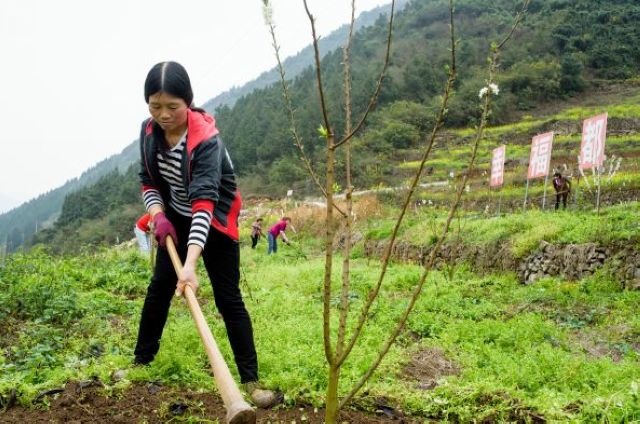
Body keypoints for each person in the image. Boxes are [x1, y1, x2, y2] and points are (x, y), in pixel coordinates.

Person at [133, 61, 275, 408]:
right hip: (177, 218)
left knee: (228, 299)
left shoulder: (206, 141)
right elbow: (148, 181)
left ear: (189, 101)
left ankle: (252, 381)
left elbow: (204, 203)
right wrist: (158, 215)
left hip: (215, 219)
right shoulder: (149, 132)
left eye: (172, 107)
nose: (163, 115)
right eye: (155, 106)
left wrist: (191, 264)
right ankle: (140, 363)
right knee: (159, 290)